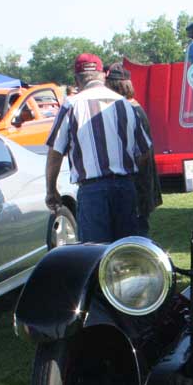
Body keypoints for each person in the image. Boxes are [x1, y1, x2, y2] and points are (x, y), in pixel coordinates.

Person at [44, 53, 151, 243]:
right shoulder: (125, 104)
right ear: (103, 75)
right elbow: (145, 152)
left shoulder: (71, 105)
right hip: (125, 188)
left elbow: (55, 153)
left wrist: (51, 190)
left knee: (95, 253)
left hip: (92, 192)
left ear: (77, 79)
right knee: (127, 251)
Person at [105, 62, 162, 238]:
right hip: (139, 181)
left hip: (138, 183)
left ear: (114, 85)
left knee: (138, 233)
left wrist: (127, 172)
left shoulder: (131, 109)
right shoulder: (130, 107)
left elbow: (143, 153)